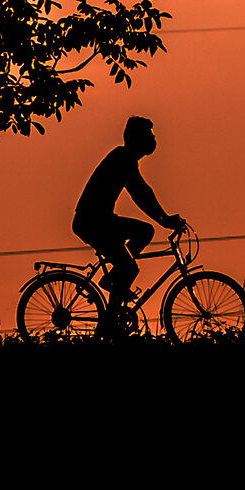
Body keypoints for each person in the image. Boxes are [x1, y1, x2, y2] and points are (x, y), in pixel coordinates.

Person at [74, 116, 184, 332]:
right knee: (129, 266)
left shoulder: (125, 158)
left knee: (143, 232)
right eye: (149, 135)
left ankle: (114, 280)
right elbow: (141, 194)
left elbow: (142, 193)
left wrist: (163, 219)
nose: (153, 139)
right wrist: (165, 219)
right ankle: (110, 319)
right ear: (139, 139)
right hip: (92, 222)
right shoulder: (123, 158)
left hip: (99, 220)